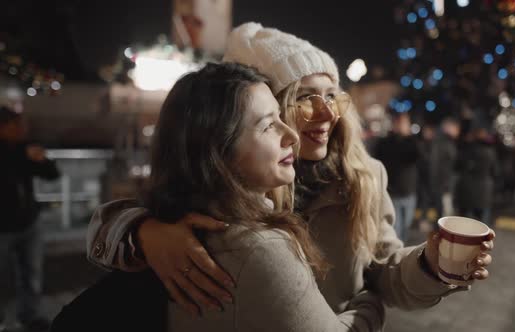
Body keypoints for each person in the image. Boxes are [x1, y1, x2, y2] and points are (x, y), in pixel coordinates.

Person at [84, 23, 494, 317]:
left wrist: (430, 265)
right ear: (262, 107)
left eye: (332, 95)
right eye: (304, 98)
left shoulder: (363, 175)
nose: (325, 113)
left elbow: (383, 271)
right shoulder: (232, 183)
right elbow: (115, 219)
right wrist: (145, 231)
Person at [52, 62, 385, 332]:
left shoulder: (191, 213)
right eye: (269, 125)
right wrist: (370, 299)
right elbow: (105, 225)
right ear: (218, 150)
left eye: (333, 97)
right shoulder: (256, 244)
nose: (291, 135)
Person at [0, 106, 60, 331]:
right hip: (2, 226)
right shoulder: (15, 153)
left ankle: (31, 316)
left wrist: (42, 160)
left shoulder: (23, 148)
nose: (21, 129)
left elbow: (53, 174)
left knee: (32, 273)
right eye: (15, 125)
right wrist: (23, 156)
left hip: (28, 222)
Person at [374, 112, 420, 241]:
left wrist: (408, 137)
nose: (401, 126)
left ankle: (401, 252)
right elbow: (380, 160)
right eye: (399, 122)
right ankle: (396, 256)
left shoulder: (411, 142)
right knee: (396, 227)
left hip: (409, 191)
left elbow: (417, 156)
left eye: (404, 123)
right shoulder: (386, 142)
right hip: (392, 191)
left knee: (406, 225)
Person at [454, 127, 498, 226]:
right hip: (483, 189)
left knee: (462, 222)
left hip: (466, 189)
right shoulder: (490, 152)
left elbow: (457, 166)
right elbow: (495, 171)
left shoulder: (466, 149)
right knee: (481, 224)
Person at [430, 117, 461, 219]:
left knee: (445, 213)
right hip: (443, 185)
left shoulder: (447, 141)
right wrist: (444, 185)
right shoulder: (442, 142)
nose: (458, 131)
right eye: (455, 128)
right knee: (445, 215)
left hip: (445, 184)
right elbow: (437, 164)